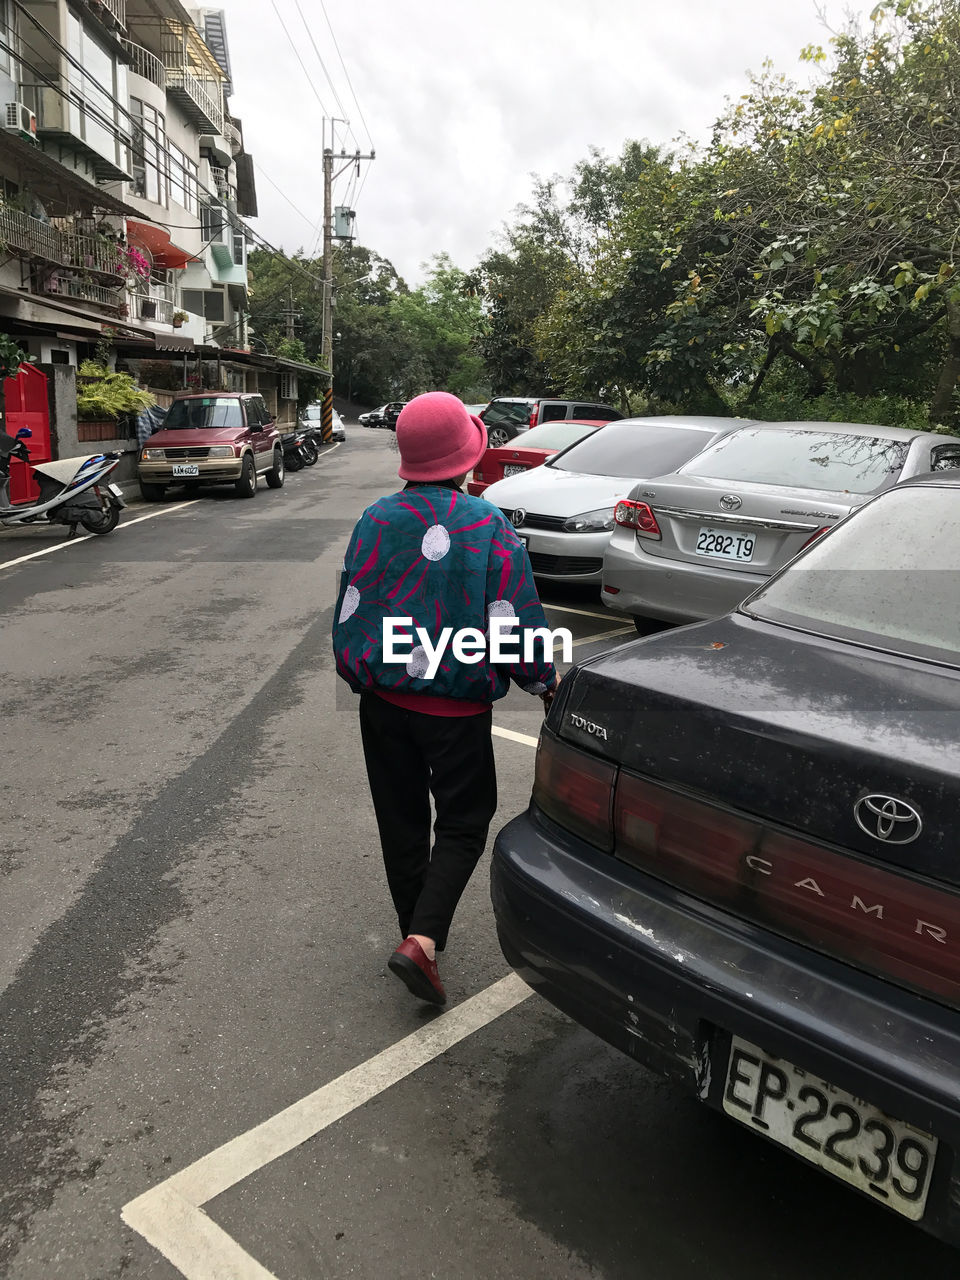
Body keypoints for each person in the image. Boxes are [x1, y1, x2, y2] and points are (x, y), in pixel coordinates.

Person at [333, 392, 558, 1007]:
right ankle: (423, 939)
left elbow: (352, 604)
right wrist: (543, 680)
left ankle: (417, 927)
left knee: (399, 819)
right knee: (463, 820)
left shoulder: (375, 518)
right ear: (466, 457)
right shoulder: (489, 527)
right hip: (454, 711)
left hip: (381, 702)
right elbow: (511, 618)